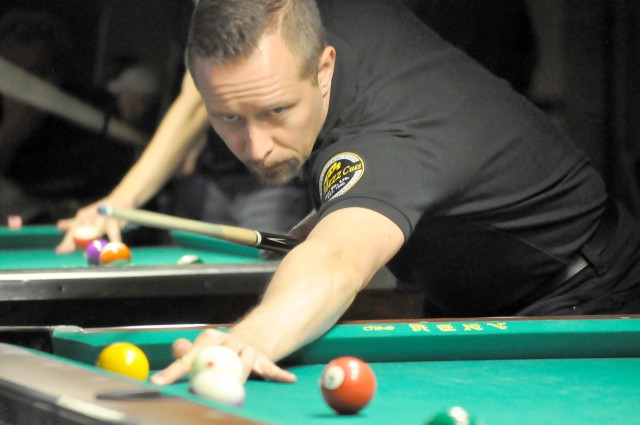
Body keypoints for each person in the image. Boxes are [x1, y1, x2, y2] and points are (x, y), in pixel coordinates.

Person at [144, 0, 640, 386]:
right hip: (475, 293)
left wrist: (249, 338)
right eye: (229, 116)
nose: (256, 147)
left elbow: (337, 260)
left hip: (582, 298)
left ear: (323, 68)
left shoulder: (383, 141)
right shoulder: (307, 16)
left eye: (276, 111)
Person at [0, 9, 135, 224]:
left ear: (55, 72)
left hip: (82, 223)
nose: (19, 85)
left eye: (33, 72)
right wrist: (11, 133)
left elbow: (117, 195)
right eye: (10, 74)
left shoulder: (95, 110)